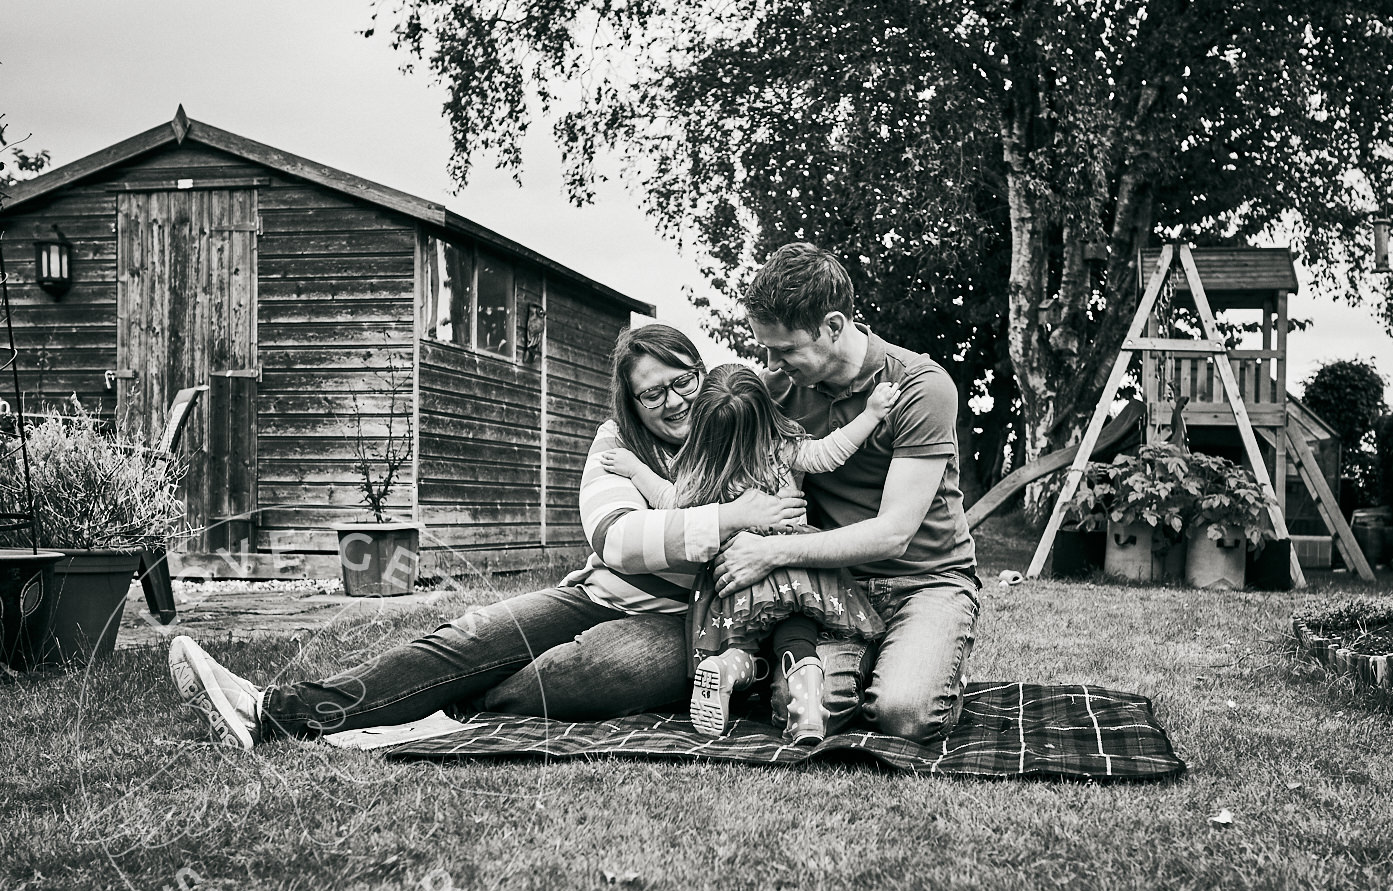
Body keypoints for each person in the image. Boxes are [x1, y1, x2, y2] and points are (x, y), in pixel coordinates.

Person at [169, 324, 807, 750]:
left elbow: (789, 489)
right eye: (652, 394)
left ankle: (424, 713)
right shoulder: (615, 443)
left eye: (683, 381)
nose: (673, 402)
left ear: (703, 374)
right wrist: (729, 518)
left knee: (567, 675)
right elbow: (617, 538)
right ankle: (269, 711)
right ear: (631, 404)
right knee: (466, 640)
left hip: (686, 624)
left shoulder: (739, 433)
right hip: (600, 592)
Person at [711, 242, 980, 744]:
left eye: (785, 349)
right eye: (766, 348)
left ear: (833, 326)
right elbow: (710, 437)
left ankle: (929, 666)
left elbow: (893, 534)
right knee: (798, 707)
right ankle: (881, 663)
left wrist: (769, 551)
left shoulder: (918, 386)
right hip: (833, 585)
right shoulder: (774, 392)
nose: (772, 363)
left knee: (904, 714)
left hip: (926, 580)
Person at [600, 362, 901, 742]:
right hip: (791, 565)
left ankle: (728, 668)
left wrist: (634, 469)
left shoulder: (702, 468)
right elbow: (829, 453)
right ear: (765, 412)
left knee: (740, 640)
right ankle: (808, 697)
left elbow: (668, 500)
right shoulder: (782, 449)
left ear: (704, 425)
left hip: (735, 573)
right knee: (797, 632)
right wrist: (871, 414)